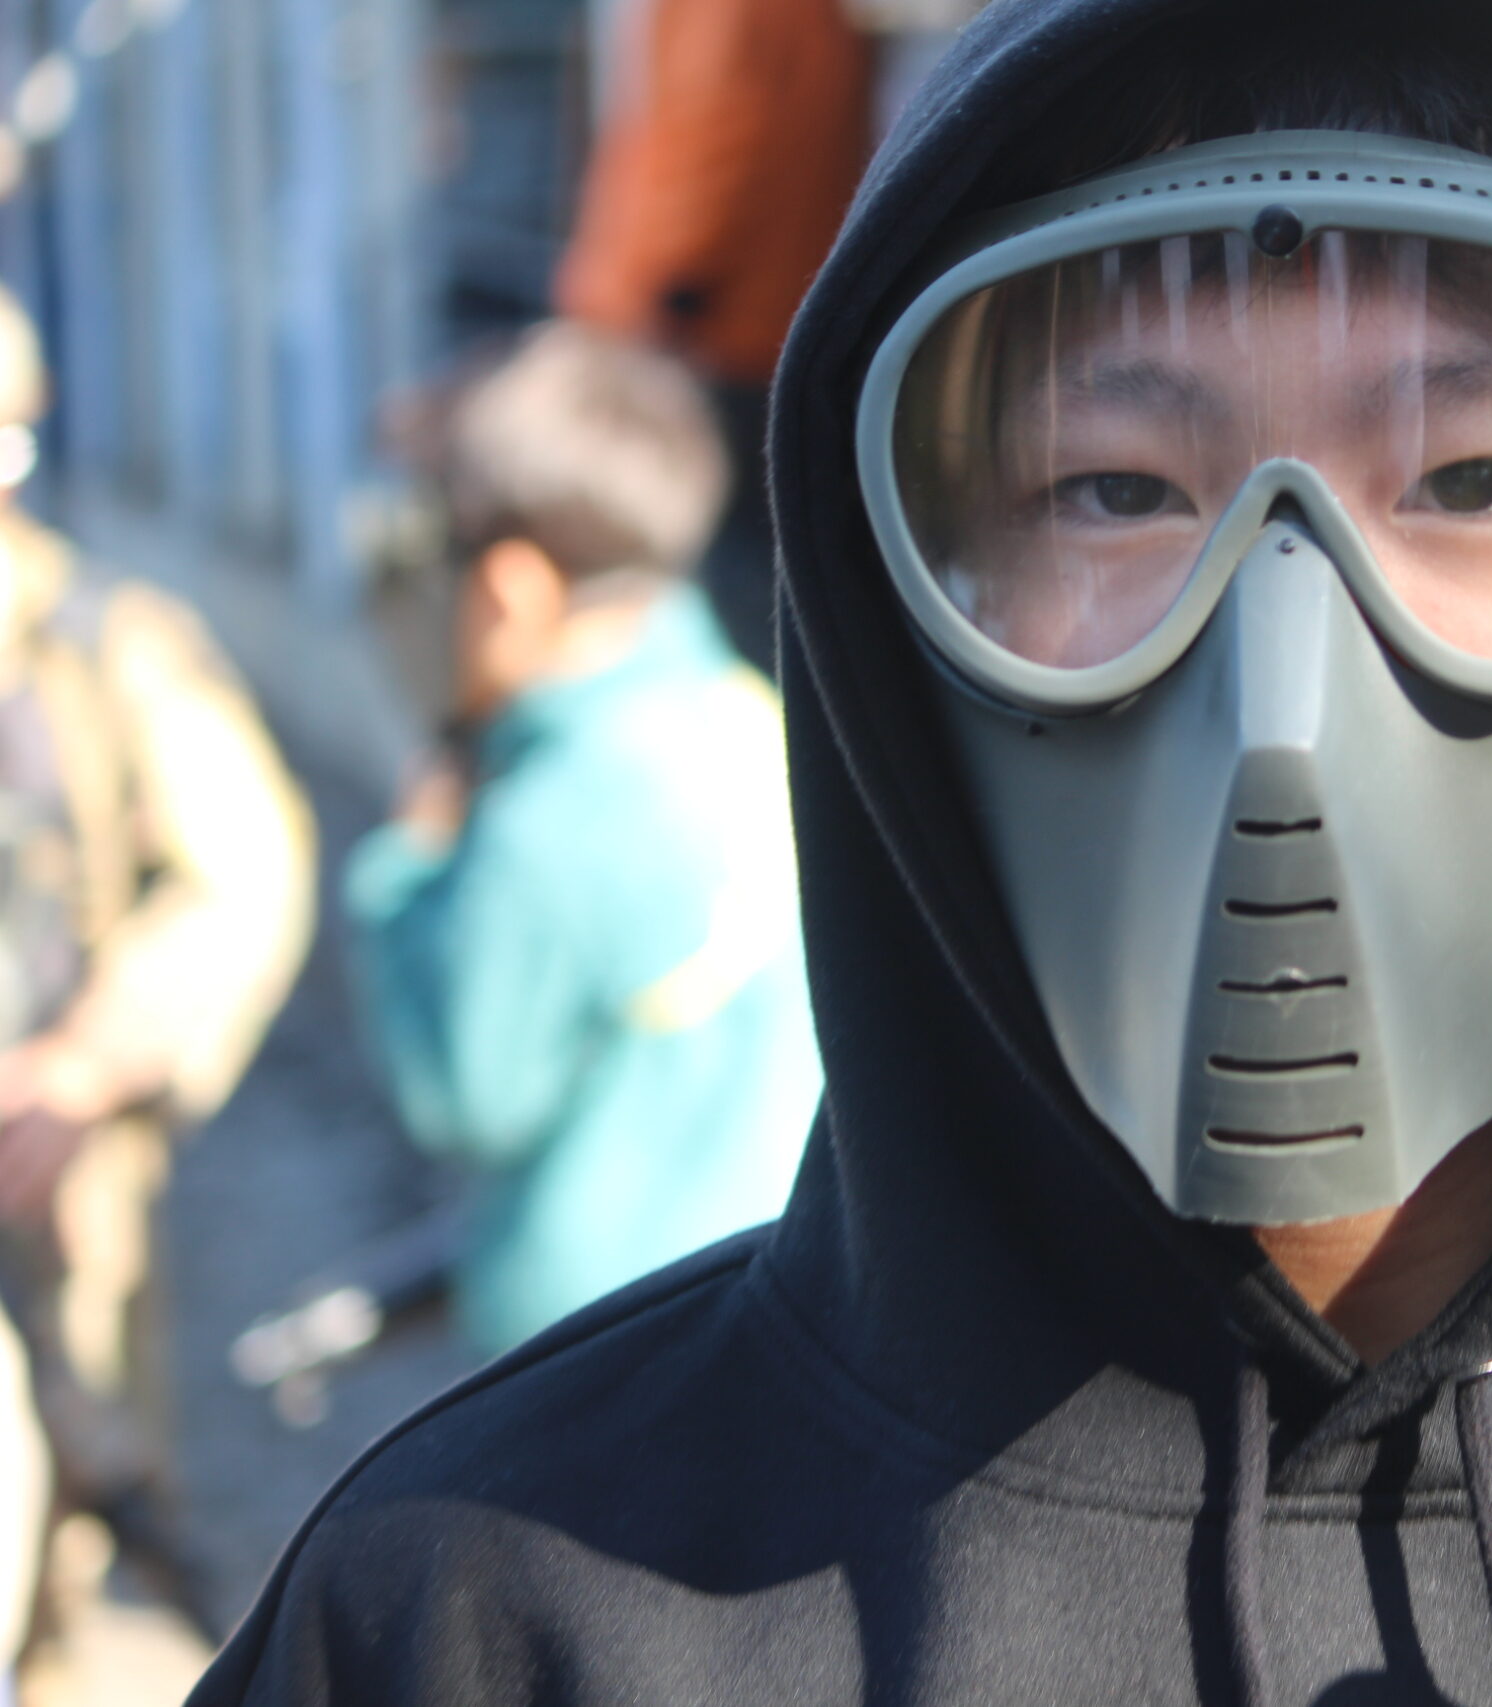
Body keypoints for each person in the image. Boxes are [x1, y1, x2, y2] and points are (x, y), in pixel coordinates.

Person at [191, 7, 1492, 1703]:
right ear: (899, 617)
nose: (1282, 683)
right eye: (1112, 488)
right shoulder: (495, 1609)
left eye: (1473, 478)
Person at [342, 322, 820, 1357]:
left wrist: (405, 867)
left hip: (599, 1354)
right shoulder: (744, 710)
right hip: (772, 1302)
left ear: (510, 593)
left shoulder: (550, 814)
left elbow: (468, 1095)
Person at [0, 285, 314, 1645]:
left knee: (76, 1529)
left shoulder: (100, 645)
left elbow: (243, 880)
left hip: (52, 1189)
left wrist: (82, 1066)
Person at [554, 0, 875, 672]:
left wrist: (663, 293)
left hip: (713, 329)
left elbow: (721, 133)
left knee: (718, 571)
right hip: (762, 315)